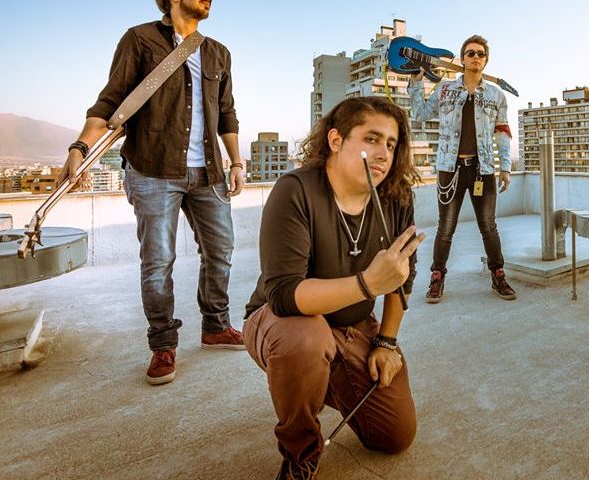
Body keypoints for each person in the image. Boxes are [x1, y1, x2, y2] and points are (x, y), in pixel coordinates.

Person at [60, 0, 245, 385]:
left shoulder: (218, 53)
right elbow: (111, 101)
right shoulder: (140, 40)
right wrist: (79, 147)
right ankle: (163, 344)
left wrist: (237, 163)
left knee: (221, 250)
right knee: (158, 260)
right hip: (152, 169)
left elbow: (227, 113)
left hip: (209, 171)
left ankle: (215, 326)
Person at [242, 97, 424, 479]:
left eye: (391, 144)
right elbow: (284, 295)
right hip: (284, 322)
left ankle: (321, 379)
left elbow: (401, 278)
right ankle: (300, 454)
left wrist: (386, 342)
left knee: (395, 435)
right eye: (372, 138)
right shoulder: (295, 190)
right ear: (336, 140)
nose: (383, 153)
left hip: (352, 326)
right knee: (305, 341)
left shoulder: (396, 196)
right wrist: (366, 284)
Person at [409, 34, 516, 303]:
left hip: (483, 169)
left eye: (480, 54)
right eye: (470, 53)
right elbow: (420, 113)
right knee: (446, 227)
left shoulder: (496, 95)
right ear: (463, 58)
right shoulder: (446, 89)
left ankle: (498, 275)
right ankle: (437, 277)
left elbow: (502, 133)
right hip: (450, 168)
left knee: (489, 226)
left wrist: (505, 167)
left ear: (486, 60)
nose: (476, 57)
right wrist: (416, 83)